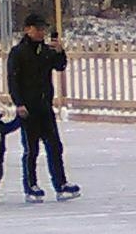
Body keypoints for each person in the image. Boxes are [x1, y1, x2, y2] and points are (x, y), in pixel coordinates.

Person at [5, 13, 80, 201]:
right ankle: (31, 185)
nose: (41, 32)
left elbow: (60, 66)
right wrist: (19, 103)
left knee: (55, 146)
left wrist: (60, 51)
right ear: (27, 29)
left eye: (42, 29)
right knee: (31, 149)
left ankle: (60, 183)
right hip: (28, 108)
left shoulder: (46, 51)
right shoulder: (18, 52)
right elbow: (13, 80)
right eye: (37, 29)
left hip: (45, 106)